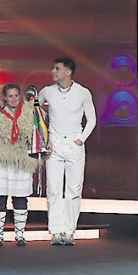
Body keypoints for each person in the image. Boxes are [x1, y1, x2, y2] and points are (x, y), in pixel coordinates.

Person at [37, 57, 96, 245]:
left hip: (74, 143)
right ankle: (56, 231)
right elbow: (34, 113)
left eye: (57, 69)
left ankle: (70, 231)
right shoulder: (47, 91)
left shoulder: (82, 92)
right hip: (54, 143)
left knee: (74, 189)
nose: (53, 72)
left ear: (68, 72)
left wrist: (80, 140)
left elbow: (92, 119)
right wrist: (44, 139)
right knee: (53, 189)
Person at [0, 83, 37, 246]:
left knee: (20, 197)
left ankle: (20, 234)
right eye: (10, 96)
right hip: (0, 157)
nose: (14, 99)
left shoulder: (29, 111)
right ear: (4, 97)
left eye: (16, 96)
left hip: (20, 156)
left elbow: (37, 133)